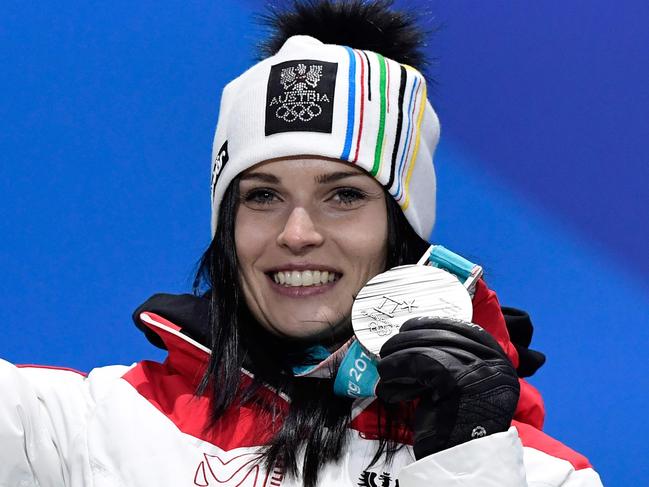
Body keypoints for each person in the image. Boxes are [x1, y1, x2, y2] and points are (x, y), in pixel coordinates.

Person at [0, 1, 603, 486]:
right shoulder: (84, 428)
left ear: (403, 230)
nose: (297, 233)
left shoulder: (546, 475)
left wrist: (467, 460)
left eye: (342, 196)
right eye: (262, 196)